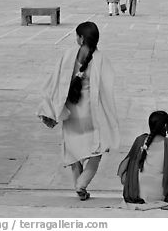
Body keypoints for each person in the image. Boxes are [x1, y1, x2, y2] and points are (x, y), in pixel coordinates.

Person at [37, 22, 120, 201]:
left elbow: (54, 83)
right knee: (97, 151)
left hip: (71, 112)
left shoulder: (67, 56)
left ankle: (79, 186)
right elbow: (107, 89)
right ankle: (82, 184)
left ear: (81, 38)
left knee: (74, 151)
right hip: (91, 113)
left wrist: (50, 107)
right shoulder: (101, 58)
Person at [117, 111, 168, 210]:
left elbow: (122, 168)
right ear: (166, 126)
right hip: (161, 195)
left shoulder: (140, 140)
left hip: (138, 194)